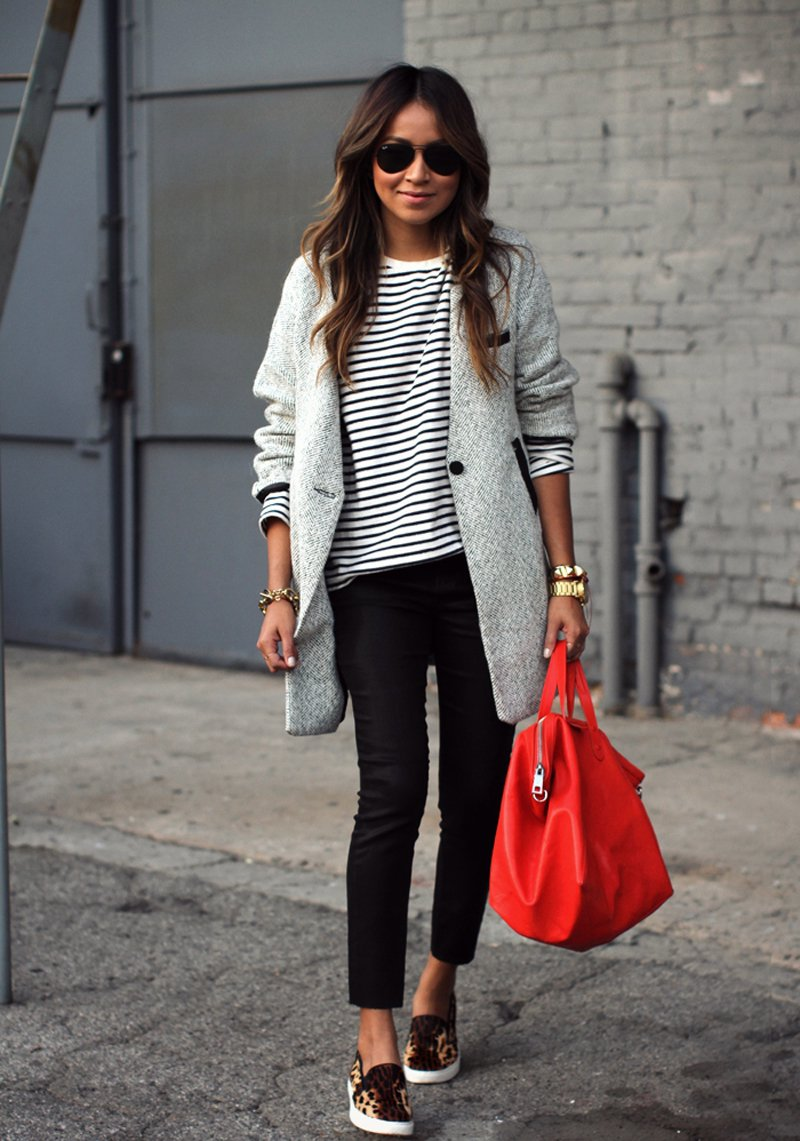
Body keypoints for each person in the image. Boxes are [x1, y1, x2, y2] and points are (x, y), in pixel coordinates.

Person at [252, 64, 589, 1138]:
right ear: (366, 158)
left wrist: (565, 578)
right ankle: (373, 1037)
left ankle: (439, 982)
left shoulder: (504, 273)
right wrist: (280, 584)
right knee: (391, 790)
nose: (417, 171)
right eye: (395, 151)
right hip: (368, 581)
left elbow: (547, 423)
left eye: (439, 153)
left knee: (477, 792)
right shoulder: (319, 273)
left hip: (484, 574)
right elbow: (277, 435)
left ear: (464, 163)